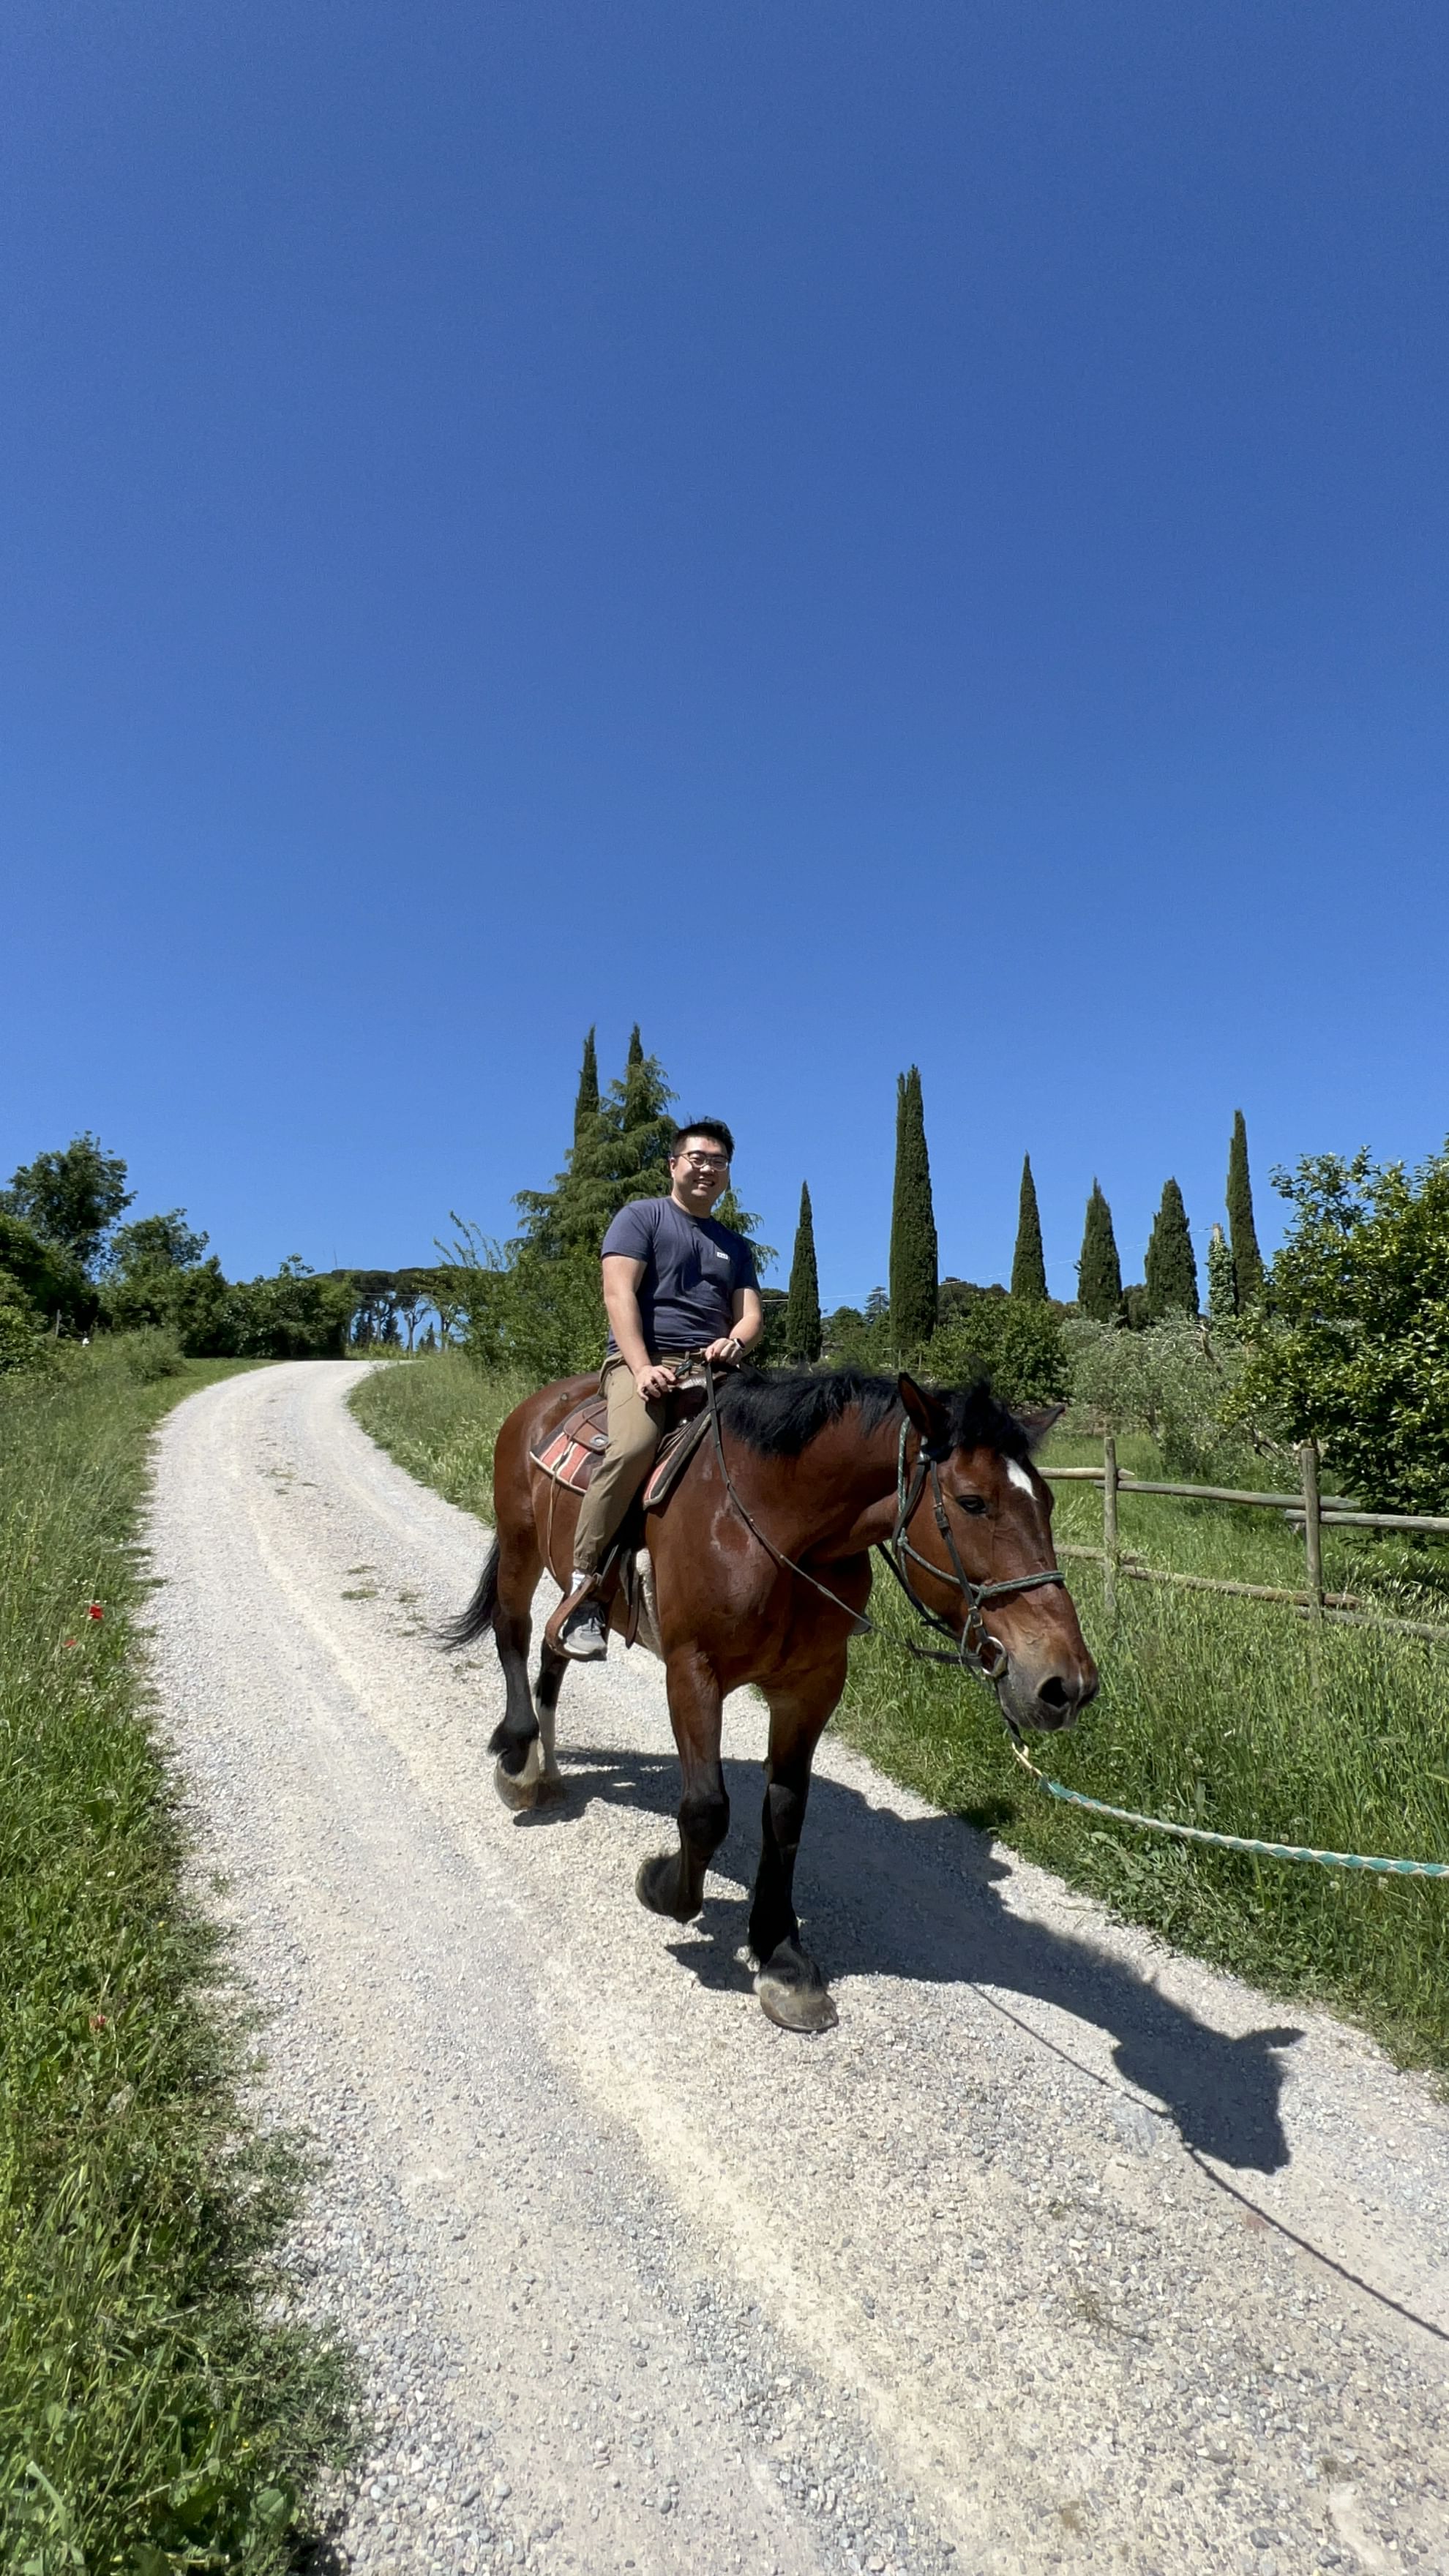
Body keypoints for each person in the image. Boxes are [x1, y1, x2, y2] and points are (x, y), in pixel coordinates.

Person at [547, 1117, 764, 1659]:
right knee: (634, 1447)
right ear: (674, 1165)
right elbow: (618, 1294)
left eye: (718, 1161)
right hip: (641, 1362)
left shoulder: (735, 1246)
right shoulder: (641, 1217)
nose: (707, 1168)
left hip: (715, 1370)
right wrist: (642, 1367)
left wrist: (735, 1342)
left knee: (782, 1446)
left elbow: (751, 1317)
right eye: (697, 1158)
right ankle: (585, 1588)